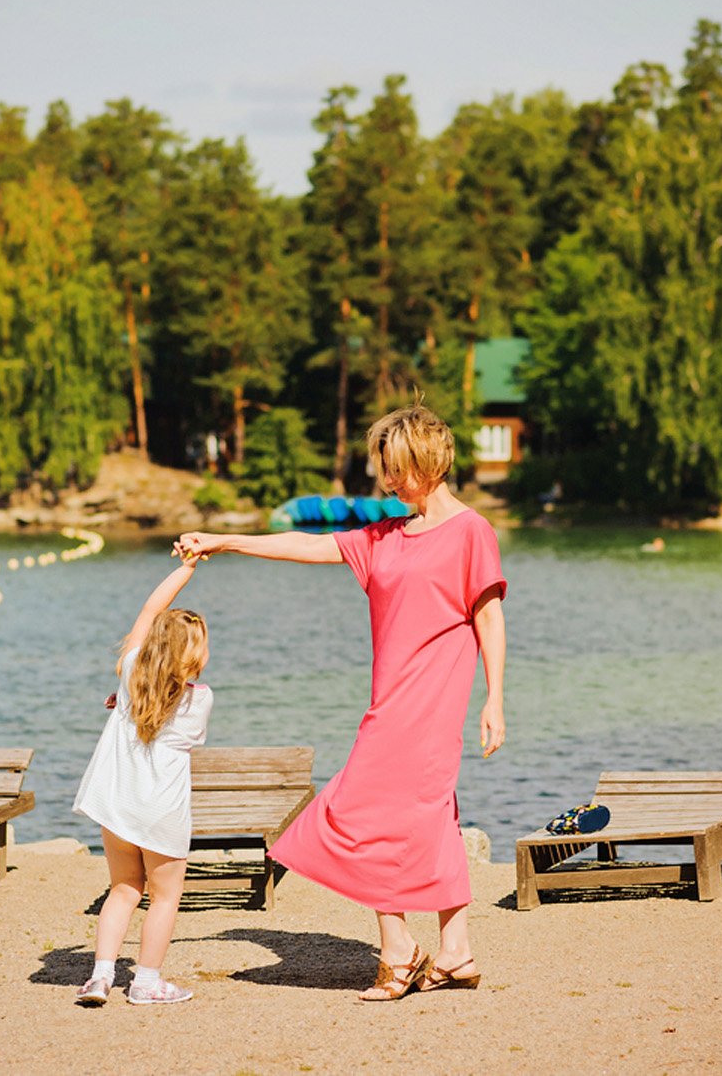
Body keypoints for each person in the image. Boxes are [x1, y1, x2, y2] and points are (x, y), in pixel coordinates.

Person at [177, 404, 506, 1002]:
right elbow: (304, 546)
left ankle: (398, 950)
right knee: (431, 816)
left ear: (429, 461)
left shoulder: (470, 532)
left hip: (432, 705)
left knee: (365, 811)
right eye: (383, 470)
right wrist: (224, 541)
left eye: (396, 469)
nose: (387, 482)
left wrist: (495, 700)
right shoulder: (381, 538)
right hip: (391, 700)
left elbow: (489, 617)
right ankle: (454, 952)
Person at [71, 552, 212, 1007]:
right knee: (164, 896)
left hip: (118, 804)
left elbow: (150, 611)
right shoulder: (201, 699)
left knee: (123, 889)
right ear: (194, 654)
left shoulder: (131, 671)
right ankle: (147, 981)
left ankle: (100, 976)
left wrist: (186, 569)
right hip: (161, 813)